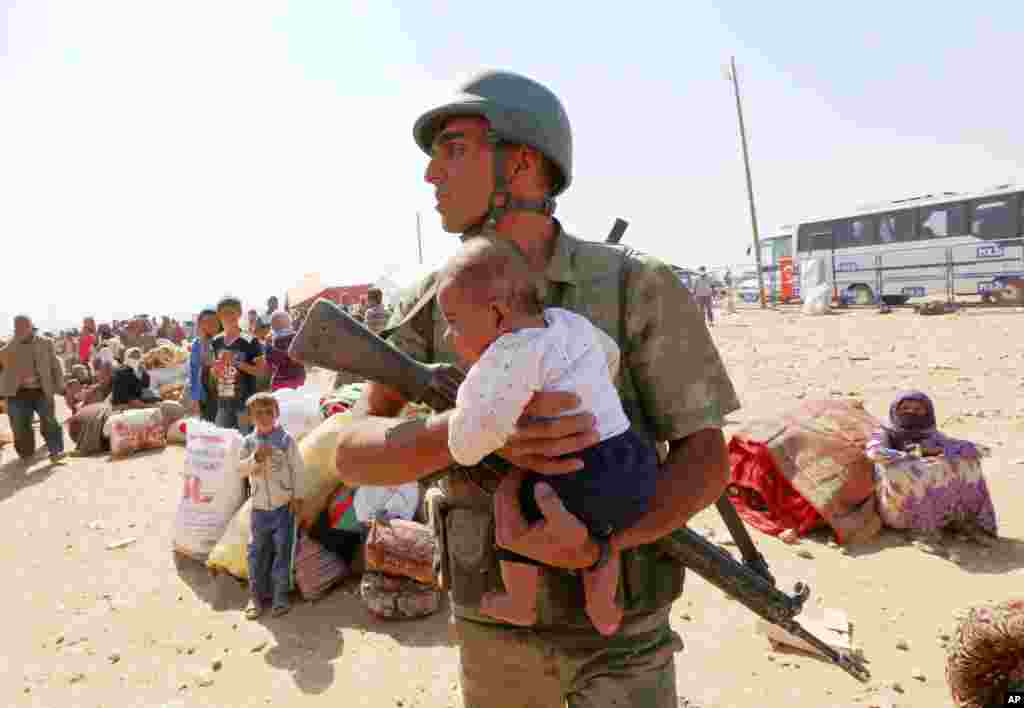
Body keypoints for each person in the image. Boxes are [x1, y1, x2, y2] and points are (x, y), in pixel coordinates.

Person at [323, 71, 739, 707]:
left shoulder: (635, 285)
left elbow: (707, 460)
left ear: (520, 164)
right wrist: (466, 432)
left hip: (623, 635)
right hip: (495, 632)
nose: (431, 174)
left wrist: (601, 546)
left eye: (453, 149)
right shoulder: (433, 304)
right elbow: (350, 453)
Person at [440, 237, 660, 636]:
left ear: (497, 313)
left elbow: (472, 440)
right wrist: (589, 393)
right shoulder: (568, 323)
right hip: (632, 460)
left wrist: (460, 433)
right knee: (604, 531)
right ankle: (601, 604)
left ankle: (519, 601)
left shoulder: (506, 355)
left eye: (454, 321)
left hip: (577, 475)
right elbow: (610, 354)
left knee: (509, 499)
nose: (447, 336)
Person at [866, 391, 997, 545]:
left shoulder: (932, 436)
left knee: (967, 462)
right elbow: (874, 452)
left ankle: (968, 522)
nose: (911, 413)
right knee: (906, 467)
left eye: (918, 409)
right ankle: (920, 530)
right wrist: (916, 454)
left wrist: (947, 452)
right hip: (898, 510)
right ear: (895, 411)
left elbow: (981, 450)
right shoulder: (885, 434)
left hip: (936, 510)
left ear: (927, 414)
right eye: (905, 408)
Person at [239, 392, 307, 619]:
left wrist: (297, 497)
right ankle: (255, 596)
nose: (264, 417)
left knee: (283, 551)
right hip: (259, 508)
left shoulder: (286, 441)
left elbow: (298, 470)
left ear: (277, 414)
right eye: (258, 413)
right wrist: (255, 459)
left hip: (283, 507)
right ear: (250, 417)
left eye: (269, 412)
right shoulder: (249, 442)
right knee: (256, 552)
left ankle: (280, 596)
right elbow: (240, 470)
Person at [0, 315, 68, 464]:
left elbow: (55, 365)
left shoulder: (45, 342)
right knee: (19, 425)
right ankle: (26, 452)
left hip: (41, 390)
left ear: (31, 326)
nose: (21, 329)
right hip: (18, 393)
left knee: (49, 421)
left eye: (24, 326)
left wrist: (60, 385)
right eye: (17, 327)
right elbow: (2, 358)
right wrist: (15, 341)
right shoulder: (10, 345)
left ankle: (56, 451)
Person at [211, 296, 267, 434]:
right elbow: (214, 372)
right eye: (224, 313)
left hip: (245, 403)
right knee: (222, 439)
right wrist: (215, 370)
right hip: (223, 400)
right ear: (219, 316)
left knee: (245, 439)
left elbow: (261, 371)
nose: (228, 316)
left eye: (232, 312)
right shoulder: (216, 341)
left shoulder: (251, 341)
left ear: (239, 314)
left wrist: (236, 362)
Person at [188, 309, 220, 423]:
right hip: (205, 393)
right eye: (206, 321)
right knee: (209, 425)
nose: (211, 324)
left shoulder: (226, 340)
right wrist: (195, 398)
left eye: (214, 321)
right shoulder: (197, 344)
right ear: (200, 324)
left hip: (225, 393)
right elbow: (194, 371)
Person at [266, 311, 306, 392]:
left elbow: (270, 365)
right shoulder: (298, 337)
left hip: (280, 382)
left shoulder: (270, 342)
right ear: (289, 322)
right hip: (297, 380)